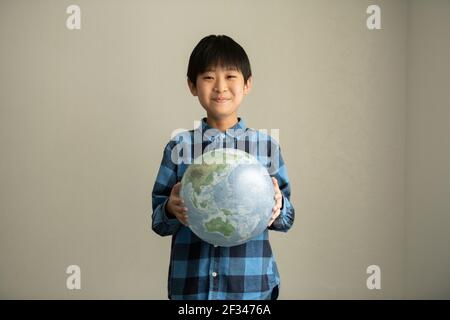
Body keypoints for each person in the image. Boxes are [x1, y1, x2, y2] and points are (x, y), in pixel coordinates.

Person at [151, 35, 295, 300]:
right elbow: (159, 222)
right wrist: (171, 208)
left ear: (247, 84)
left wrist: (278, 205)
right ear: (192, 86)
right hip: (192, 290)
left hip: (250, 289)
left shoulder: (265, 148)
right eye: (208, 77)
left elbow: (287, 219)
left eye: (230, 76)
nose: (220, 87)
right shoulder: (178, 147)